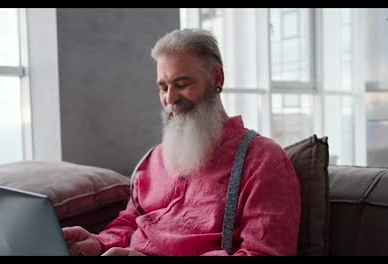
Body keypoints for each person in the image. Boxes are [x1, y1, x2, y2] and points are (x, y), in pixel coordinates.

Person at [62, 28, 301, 256]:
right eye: (163, 87)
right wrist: (97, 242)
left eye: (181, 84)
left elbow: (264, 251)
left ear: (217, 77)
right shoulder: (153, 159)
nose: (170, 99)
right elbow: (129, 223)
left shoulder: (263, 160)